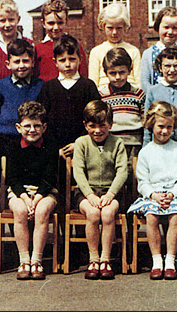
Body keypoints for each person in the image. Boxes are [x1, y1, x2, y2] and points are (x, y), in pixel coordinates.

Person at [127, 101, 177, 280]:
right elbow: (142, 182)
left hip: (176, 194)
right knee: (151, 215)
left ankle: (170, 261)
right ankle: (157, 261)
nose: (164, 131)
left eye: (169, 127)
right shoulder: (145, 152)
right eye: (160, 126)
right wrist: (154, 195)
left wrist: (172, 194)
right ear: (151, 125)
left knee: (175, 214)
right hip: (153, 195)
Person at [71, 100, 129, 280]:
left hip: (111, 192)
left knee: (107, 214)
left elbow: (122, 171)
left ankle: (106, 259)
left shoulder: (117, 143)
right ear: (85, 125)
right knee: (93, 214)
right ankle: (93, 258)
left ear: (110, 124)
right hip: (86, 192)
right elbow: (78, 171)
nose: (97, 130)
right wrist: (88, 195)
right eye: (92, 126)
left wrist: (111, 194)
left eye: (102, 125)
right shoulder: (81, 143)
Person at [5, 101, 59, 280]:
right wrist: (26, 199)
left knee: (42, 211)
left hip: (44, 191)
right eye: (27, 126)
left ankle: (37, 260)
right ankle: (24, 260)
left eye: (37, 126)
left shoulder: (50, 146)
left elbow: (50, 177)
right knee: (20, 211)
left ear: (44, 127)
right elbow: (12, 178)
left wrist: (36, 198)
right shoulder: (13, 146)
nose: (32, 130)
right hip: (19, 192)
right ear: (19, 127)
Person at [37, 34, 100, 160]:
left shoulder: (88, 86)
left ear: (80, 59)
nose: (67, 64)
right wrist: (56, 148)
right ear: (55, 61)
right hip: (54, 151)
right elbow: (42, 120)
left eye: (72, 59)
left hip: (84, 148)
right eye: (62, 60)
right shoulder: (48, 88)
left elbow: (95, 117)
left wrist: (80, 143)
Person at [142, 46, 177, 161]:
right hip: (158, 147)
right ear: (160, 68)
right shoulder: (153, 91)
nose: (172, 70)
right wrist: (146, 148)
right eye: (167, 66)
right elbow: (147, 123)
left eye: (176, 65)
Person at [0, 39, 44, 158]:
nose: (21, 65)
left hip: (32, 139)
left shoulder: (40, 86)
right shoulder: (1, 86)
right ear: (8, 64)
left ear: (32, 62)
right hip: (6, 139)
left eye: (25, 61)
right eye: (17, 61)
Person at [97, 47, 146, 165]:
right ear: (105, 73)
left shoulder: (138, 94)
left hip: (134, 144)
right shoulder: (102, 95)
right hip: (110, 143)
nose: (118, 77)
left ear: (130, 70)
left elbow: (144, 119)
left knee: (131, 175)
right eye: (113, 73)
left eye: (122, 72)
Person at [139, 6, 177, 94]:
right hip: (157, 104)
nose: (170, 32)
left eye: (174, 28)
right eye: (166, 27)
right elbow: (145, 83)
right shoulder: (148, 54)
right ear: (158, 27)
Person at [88, 3, 141, 88]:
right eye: (110, 28)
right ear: (103, 26)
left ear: (125, 27)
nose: (114, 32)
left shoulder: (133, 51)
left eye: (119, 28)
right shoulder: (96, 52)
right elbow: (93, 83)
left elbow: (139, 82)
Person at [34, 0, 87, 81]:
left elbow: (83, 75)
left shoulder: (76, 46)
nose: (56, 27)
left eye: (60, 23)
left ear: (66, 21)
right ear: (43, 23)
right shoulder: (37, 49)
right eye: (51, 23)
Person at [0, 0, 33, 88]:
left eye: (11, 20)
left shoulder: (29, 44)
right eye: (2, 20)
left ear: (18, 19)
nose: (7, 25)